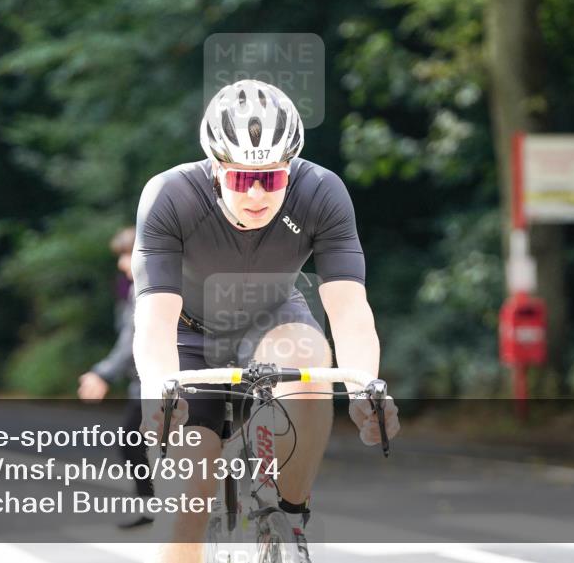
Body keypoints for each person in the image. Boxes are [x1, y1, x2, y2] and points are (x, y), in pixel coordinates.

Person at [132, 79, 400, 562]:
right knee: (186, 504)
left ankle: (289, 517)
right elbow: (153, 317)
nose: (257, 193)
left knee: (311, 363)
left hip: (274, 319)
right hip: (189, 334)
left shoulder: (322, 192)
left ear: (290, 171)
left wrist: (365, 387)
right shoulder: (170, 196)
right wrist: (159, 388)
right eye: (240, 179)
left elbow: (349, 308)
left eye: (273, 178)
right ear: (216, 170)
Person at [78, 226, 154, 528]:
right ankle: (156, 508)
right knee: (137, 442)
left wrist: (102, 373)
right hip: (147, 381)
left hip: (159, 380)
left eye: (127, 255)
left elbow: (132, 339)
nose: (122, 264)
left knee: (136, 441)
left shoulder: (149, 288)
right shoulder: (136, 287)